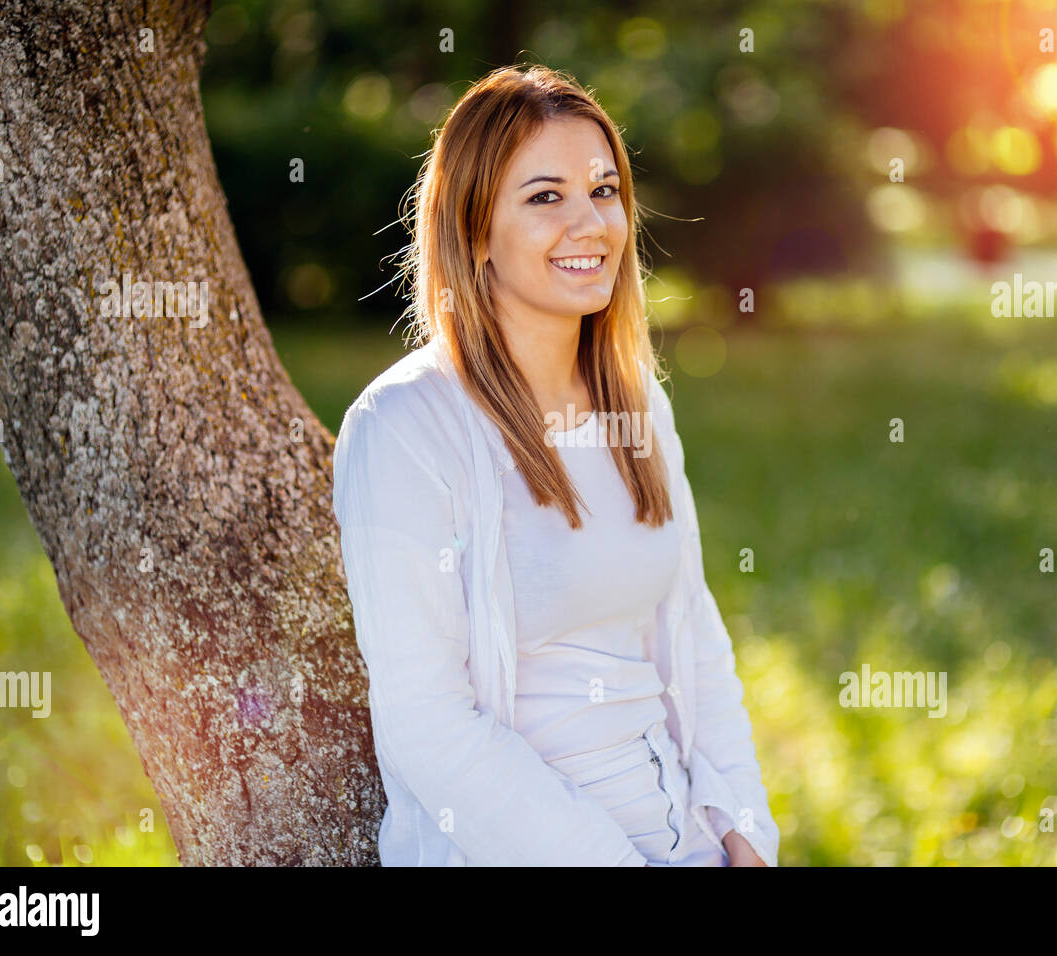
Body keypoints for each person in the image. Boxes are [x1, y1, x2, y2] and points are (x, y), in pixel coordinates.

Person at [331, 63, 780, 867]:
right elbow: (427, 726)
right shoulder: (403, 427)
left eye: (604, 190)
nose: (591, 224)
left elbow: (695, 639)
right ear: (473, 232)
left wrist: (745, 834)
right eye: (545, 197)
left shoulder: (634, 399)